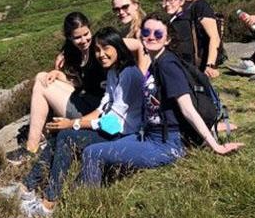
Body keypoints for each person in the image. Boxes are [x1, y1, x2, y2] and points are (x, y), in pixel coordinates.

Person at [78, 14, 243, 188]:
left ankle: (89, 204)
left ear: (167, 39)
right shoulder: (155, 63)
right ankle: (65, 204)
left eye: (158, 34)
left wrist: (215, 146)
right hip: (151, 135)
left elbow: (187, 109)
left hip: (167, 144)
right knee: (96, 150)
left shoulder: (167, 65)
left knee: (92, 153)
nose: (151, 37)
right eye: (147, 32)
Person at [12, 27, 145, 217]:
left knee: (67, 136)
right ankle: (27, 188)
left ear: (117, 46)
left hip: (124, 135)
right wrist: (73, 122)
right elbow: (102, 109)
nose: (101, 55)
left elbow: (114, 121)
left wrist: (73, 124)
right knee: (59, 137)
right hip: (113, 130)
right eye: (97, 50)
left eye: (106, 48)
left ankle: (48, 204)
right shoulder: (114, 72)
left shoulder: (129, 75)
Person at [6, 12, 106, 164]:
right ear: (69, 38)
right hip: (87, 100)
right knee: (42, 76)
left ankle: (31, 148)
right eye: (77, 37)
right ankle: (39, 137)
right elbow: (82, 84)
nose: (84, 40)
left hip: (93, 112)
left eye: (86, 34)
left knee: (42, 85)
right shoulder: (77, 52)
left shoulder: (98, 51)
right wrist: (58, 74)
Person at [177, 0, 222, 78]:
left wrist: (210, 65)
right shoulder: (185, 6)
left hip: (198, 62)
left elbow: (214, 37)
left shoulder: (201, 6)